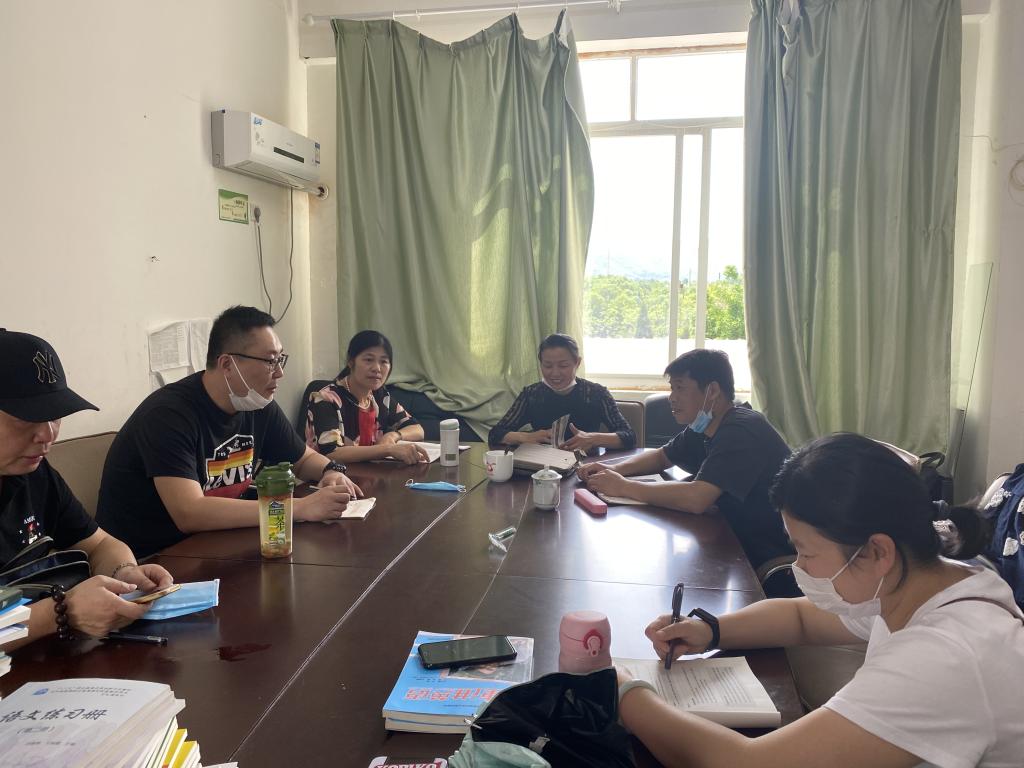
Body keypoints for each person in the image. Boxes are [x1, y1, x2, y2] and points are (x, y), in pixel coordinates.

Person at [619, 433, 1024, 768]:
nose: (799, 565)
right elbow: (801, 618)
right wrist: (710, 629)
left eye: (806, 551)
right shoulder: (923, 579)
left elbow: (747, 763)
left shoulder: (945, 656)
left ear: (876, 551)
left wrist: (626, 693)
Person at [97, 306, 361, 557]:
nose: (279, 373)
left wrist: (331, 472)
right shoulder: (168, 415)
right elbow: (190, 512)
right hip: (151, 560)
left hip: (216, 545)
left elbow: (303, 459)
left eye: (280, 359)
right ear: (227, 365)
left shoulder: (256, 403)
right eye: (270, 361)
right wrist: (299, 508)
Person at [0, 329, 174, 650]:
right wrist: (62, 612)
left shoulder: (33, 474)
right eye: (27, 418)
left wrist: (125, 573)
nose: (48, 435)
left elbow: (100, 544)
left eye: (55, 416)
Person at [578, 348, 792, 572]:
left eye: (680, 388)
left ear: (712, 391)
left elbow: (696, 499)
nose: (672, 397)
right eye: (672, 388)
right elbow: (662, 456)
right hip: (731, 542)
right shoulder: (704, 424)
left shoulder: (741, 429)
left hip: (766, 556)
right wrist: (613, 469)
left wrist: (623, 487)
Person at [488, 334, 636, 452]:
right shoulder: (532, 394)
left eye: (563, 365)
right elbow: (496, 433)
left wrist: (593, 439)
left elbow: (629, 436)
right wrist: (525, 437)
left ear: (577, 363)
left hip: (586, 466)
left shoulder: (596, 393)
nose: (555, 373)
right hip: (542, 468)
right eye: (547, 366)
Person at [305, 330, 428, 464]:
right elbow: (332, 453)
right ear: (351, 362)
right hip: (328, 475)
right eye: (369, 360)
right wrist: (387, 449)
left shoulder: (379, 396)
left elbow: (417, 429)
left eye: (384, 361)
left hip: (370, 473)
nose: (377, 368)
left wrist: (393, 435)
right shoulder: (326, 398)